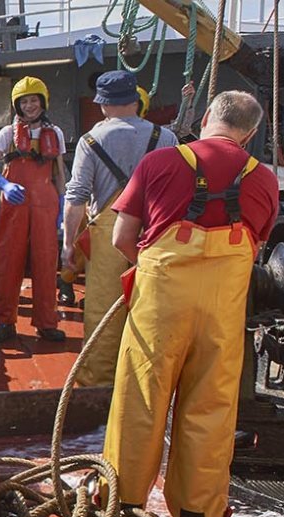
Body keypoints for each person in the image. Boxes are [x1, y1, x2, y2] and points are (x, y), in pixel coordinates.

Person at [101, 90, 279, 517]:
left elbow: (123, 236)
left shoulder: (158, 163)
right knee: (211, 410)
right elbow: (258, 246)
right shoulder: (265, 180)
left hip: (161, 307)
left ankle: (122, 515)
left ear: (205, 118)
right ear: (251, 134)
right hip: (221, 312)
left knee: (141, 401)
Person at [62, 71, 176, 385]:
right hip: (154, 234)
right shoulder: (166, 139)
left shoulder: (91, 140)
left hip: (108, 236)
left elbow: (77, 196)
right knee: (153, 310)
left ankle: (97, 384)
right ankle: (148, 382)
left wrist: (68, 244)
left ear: (103, 105)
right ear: (137, 101)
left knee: (102, 315)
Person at [0, 77, 68, 343]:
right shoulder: (8, 133)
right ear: (17, 105)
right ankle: (5, 322)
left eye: (34, 100)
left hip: (46, 201)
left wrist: (62, 206)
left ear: (43, 102)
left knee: (45, 261)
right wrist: (3, 184)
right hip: (15, 202)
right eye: (25, 101)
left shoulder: (56, 133)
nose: (30, 106)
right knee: (9, 260)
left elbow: (59, 172)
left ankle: (46, 323)